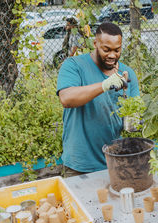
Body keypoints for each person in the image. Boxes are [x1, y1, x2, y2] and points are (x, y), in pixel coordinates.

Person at [56, 22, 140, 178]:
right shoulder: (74, 65)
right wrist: (105, 85)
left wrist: (129, 102)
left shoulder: (127, 73)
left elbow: (133, 121)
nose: (112, 55)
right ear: (95, 44)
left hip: (114, 160)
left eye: (117, 50)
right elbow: (66, 98)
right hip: (79, 164)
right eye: (106, 50)